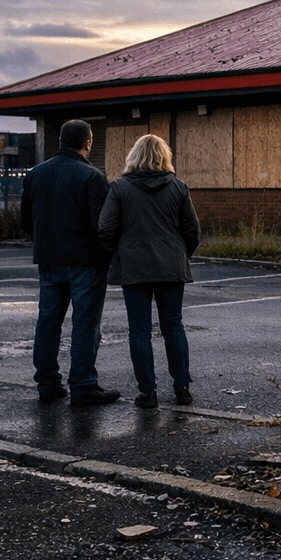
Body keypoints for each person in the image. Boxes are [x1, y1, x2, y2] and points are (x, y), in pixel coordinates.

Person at [20, 119, 119, 405]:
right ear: (88, 142)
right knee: (85, 324)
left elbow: (26, 220)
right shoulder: (92, 177)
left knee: (48, 322)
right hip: (86, 262)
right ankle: (84, 384)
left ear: (61, 140)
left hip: (49, 259)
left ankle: (48, 383)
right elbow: (101, 225)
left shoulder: (36, 174)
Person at [98, 134, 200, 408]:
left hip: (134, 267)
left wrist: (117, 254)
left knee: (139, 331)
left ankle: (148, 392)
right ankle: (182, 387)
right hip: (171, 266)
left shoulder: (119, 188)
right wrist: (178, 254)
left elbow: (106, 229)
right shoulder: (178, 188)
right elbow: (192, 231)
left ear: (134, 156)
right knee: (173, 326)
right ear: (163, 156)